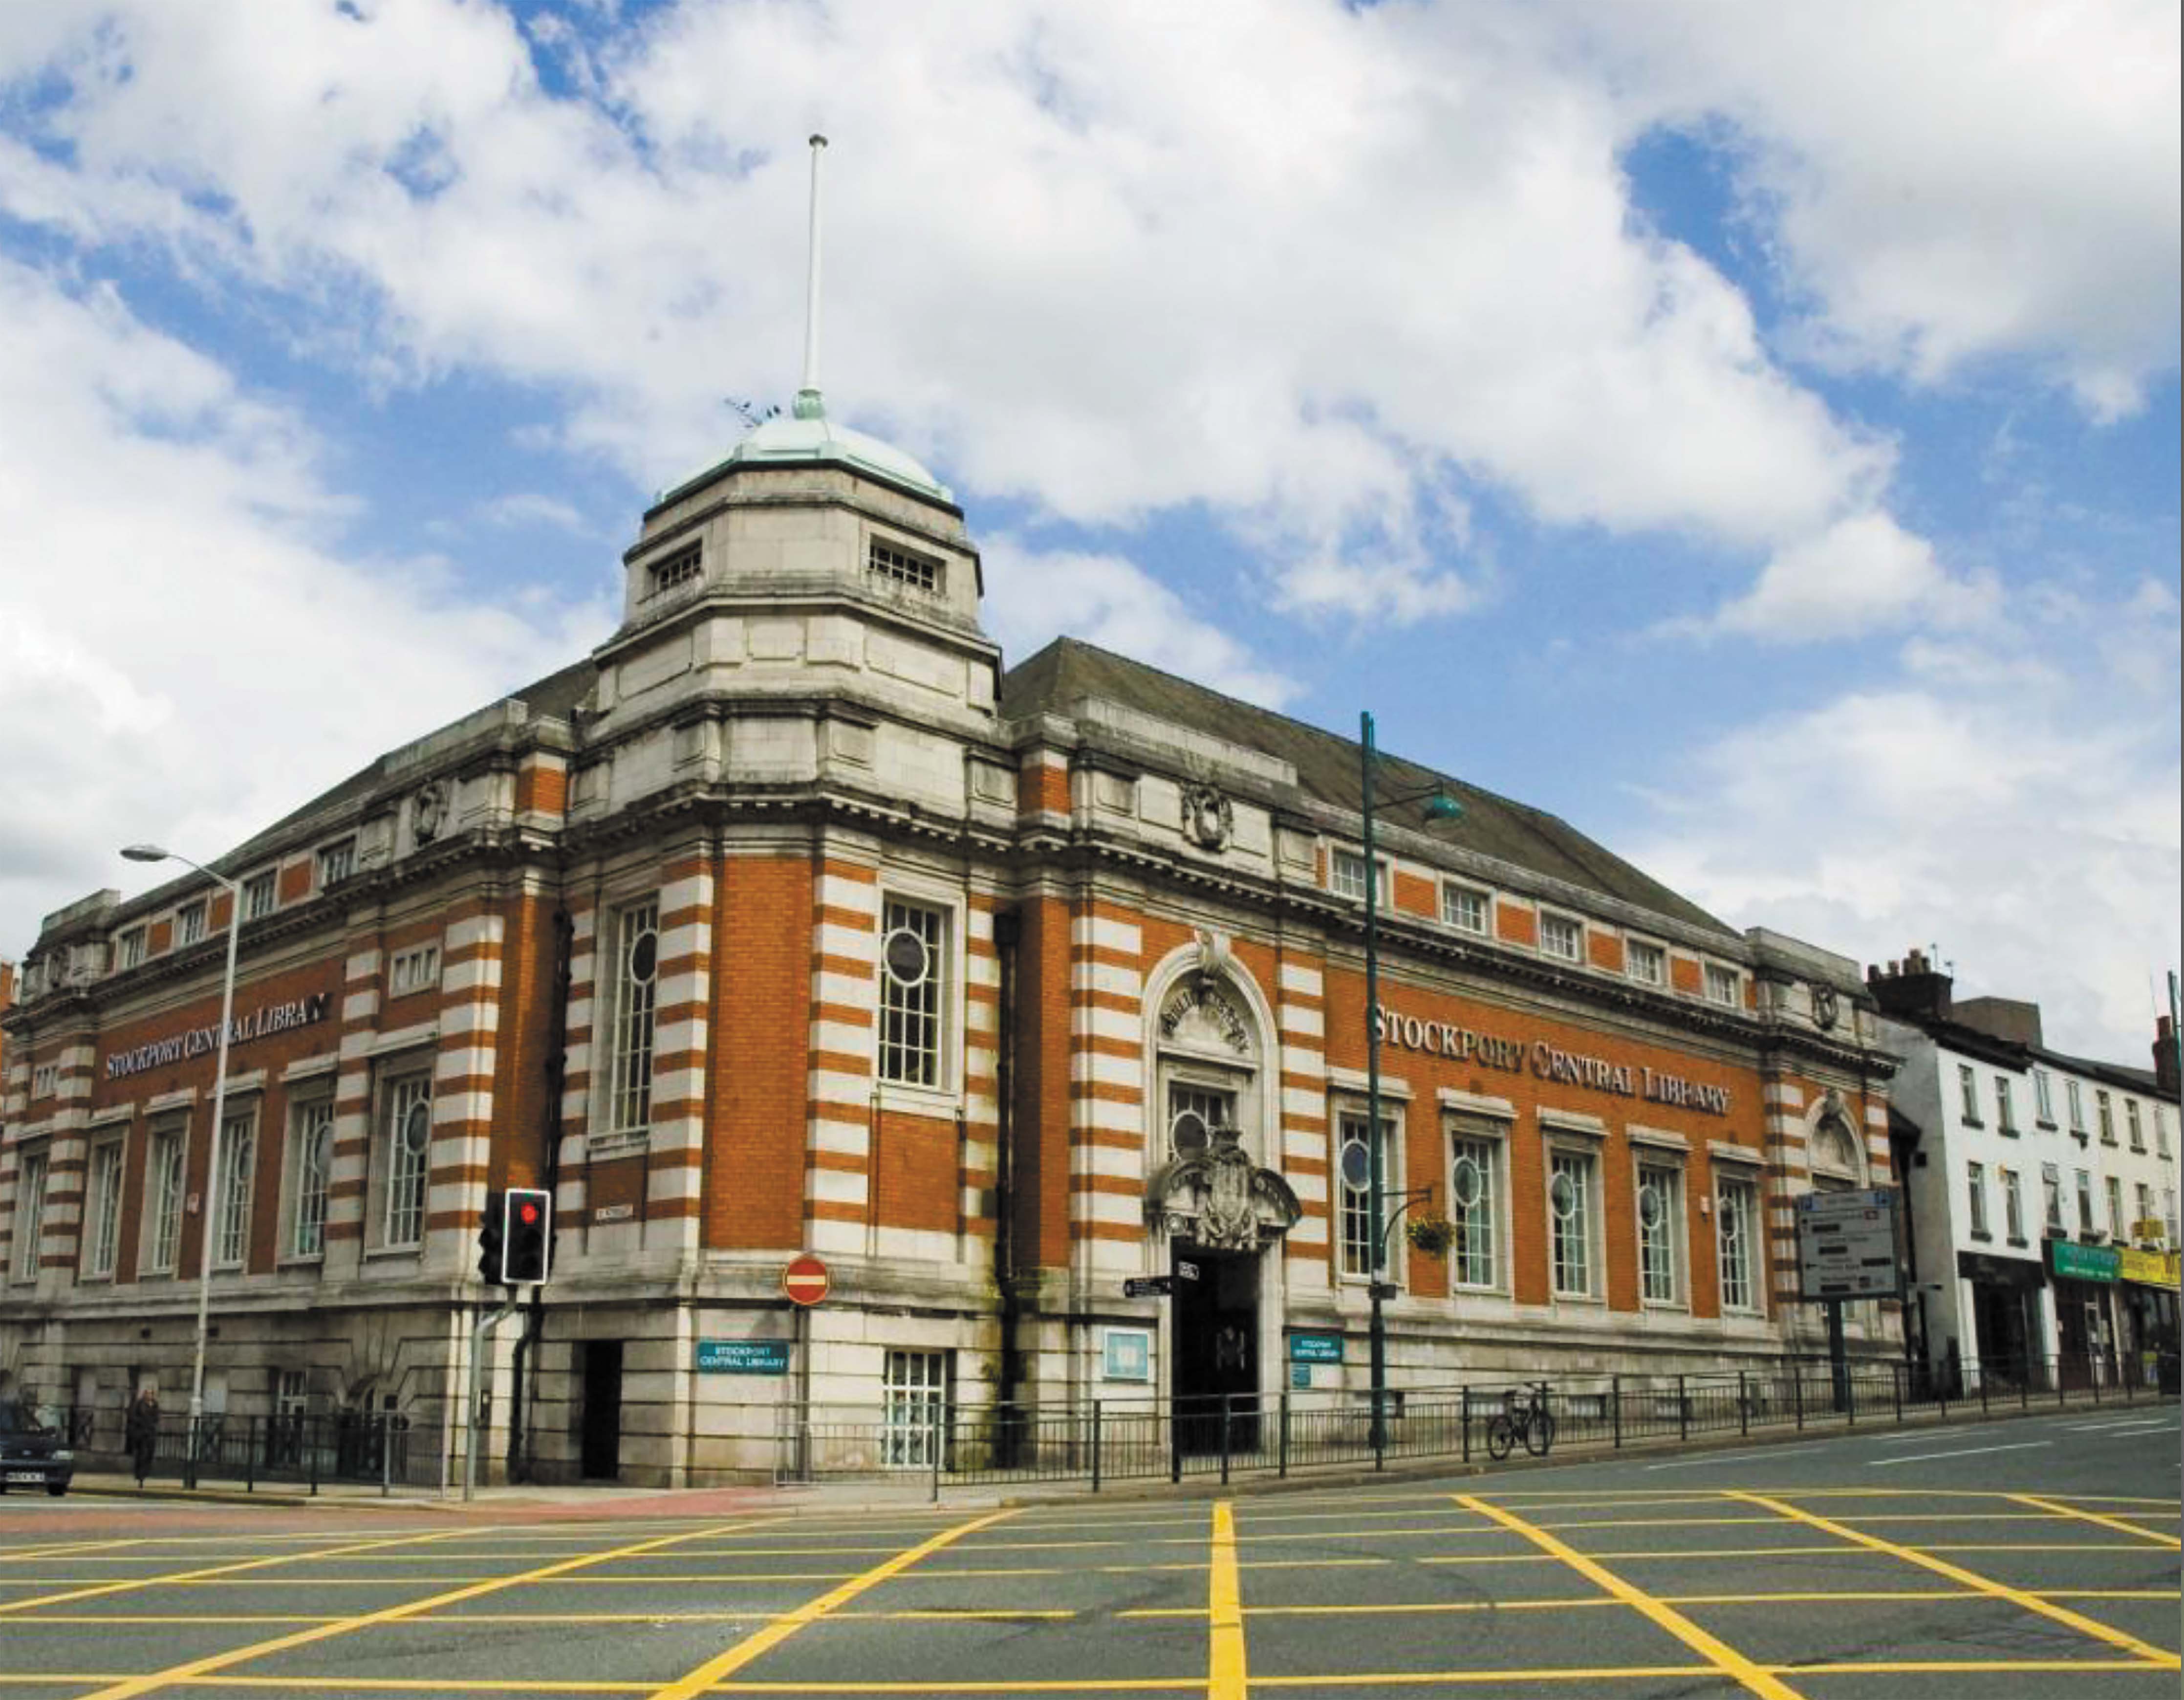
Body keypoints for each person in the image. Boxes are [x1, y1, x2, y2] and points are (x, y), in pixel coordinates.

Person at [126, 1387, 160, 1486]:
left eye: (151, 1394)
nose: (149, 1395)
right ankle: (139, 1475)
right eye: (148, 1393)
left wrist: (153, 1424)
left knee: (149, 1454)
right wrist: (141, 1423)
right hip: (141, 1433)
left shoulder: (155, 1405)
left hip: (150, 1433)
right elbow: (133, 1416)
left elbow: (157, 1417)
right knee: (142, 1454)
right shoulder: (139, 1404)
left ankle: (145, 1473)